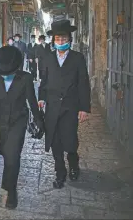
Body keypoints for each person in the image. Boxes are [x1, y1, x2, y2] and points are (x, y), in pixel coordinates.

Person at [0, 46, 44, 209]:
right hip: (1, 123)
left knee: (13, 156)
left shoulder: (25, 79)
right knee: (4, 152)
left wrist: (39, 120)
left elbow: (31, 100)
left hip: (18, 122)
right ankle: (8, 182)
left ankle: (11, 192)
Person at [39, 19, 91, 189]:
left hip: (70, 107)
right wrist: (41, 97)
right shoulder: (47, 58)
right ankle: (60, 173)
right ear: (53, 41)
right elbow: (43, 81)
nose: (60, 42)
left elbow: (83, 83)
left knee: (69, 140)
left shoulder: (78, 58)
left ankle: (74, 164)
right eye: (57, 39)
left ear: (70, 39)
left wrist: (84, 107)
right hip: (52, 107)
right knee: (55, 141)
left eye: (64, 39)